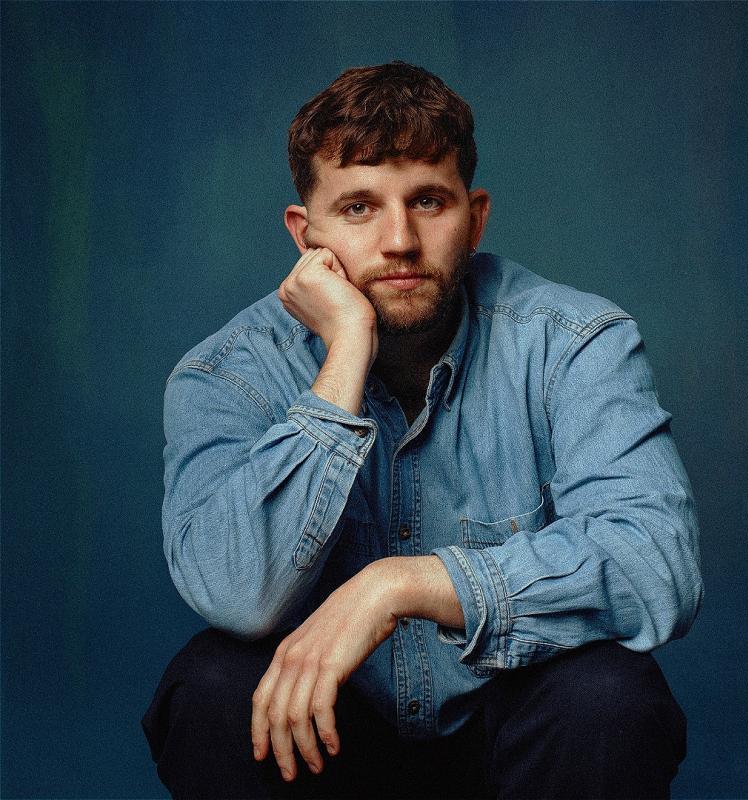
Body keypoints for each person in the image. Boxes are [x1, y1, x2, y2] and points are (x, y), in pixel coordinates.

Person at [143, 61, 702, 799]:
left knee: (609, 697)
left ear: (475, 218)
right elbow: (235, 593)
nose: (399, 239)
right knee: (213, 686)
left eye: (428, 201)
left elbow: (655, 565)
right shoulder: (224, 375)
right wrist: (345, 357)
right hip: (327, 748)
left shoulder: (575, 342)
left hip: (518, 742)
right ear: (304, 233)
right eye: (359, 209)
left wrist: (398, 585)